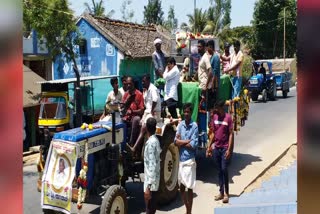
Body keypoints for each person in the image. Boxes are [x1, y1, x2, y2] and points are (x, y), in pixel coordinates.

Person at [206, 100, 234, 204]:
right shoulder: (215, 117)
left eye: (217, 108)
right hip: (216, 148)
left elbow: (231, 134)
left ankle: (226, 193)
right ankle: (221, 192)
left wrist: (229, 149)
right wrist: (209, 146)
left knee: (224, 169)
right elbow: (213, 133)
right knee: (219, 170)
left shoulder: (228, 118)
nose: (216, 110)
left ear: (222, 108)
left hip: (224, 148)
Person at [175, 103, 198, 214]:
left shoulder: (194, 126)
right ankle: (188, 210)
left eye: (188, 112)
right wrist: (186, 141)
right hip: (181, 160)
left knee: (189, 187)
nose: (186, 114)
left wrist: (181, 142)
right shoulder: (180, 125)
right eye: (185, 112)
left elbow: (193, 145)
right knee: (181, 187)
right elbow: (175, 142)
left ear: (191, 112)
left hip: (190, 160)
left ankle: (189, 211)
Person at [129, 74, 161, 154]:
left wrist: (152, 111)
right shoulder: (145, 90)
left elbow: (155, 100)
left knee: (144, 127)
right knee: (137, 123)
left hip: (154, 112)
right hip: (147, 112)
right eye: (142, 81)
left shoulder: (153, 89)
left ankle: (134, 148)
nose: (142, 83)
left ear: (148, 81)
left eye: (144, 81)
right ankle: (136, 149)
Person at [143, 117, 162, 214]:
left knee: (149, 210)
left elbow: (152, 165)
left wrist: (148, 187)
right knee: (151, 210)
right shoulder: (155, 140)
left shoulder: (151, 143)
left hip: (151, 184)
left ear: (146, 128)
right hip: (154, 182)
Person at [121, 76, 144, 146]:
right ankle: (121, 143)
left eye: (130, 84)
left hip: (135, 116)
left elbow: (141, 110)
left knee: (136, 120)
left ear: (133, 84)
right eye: (127, 84)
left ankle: (131, 143)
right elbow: (122, 107)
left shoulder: (139, 94)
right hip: (126, 116)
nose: (128, 85)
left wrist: (132, 112)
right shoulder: (126, 94)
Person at [207, 40, 221, 110]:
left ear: (211, 47)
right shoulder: (212, 57)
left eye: (208, 48)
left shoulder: (215, 57)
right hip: (212, 83)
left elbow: (215, 72)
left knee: (214, 103)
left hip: (214, 84)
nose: (207, 50)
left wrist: (212, 84)